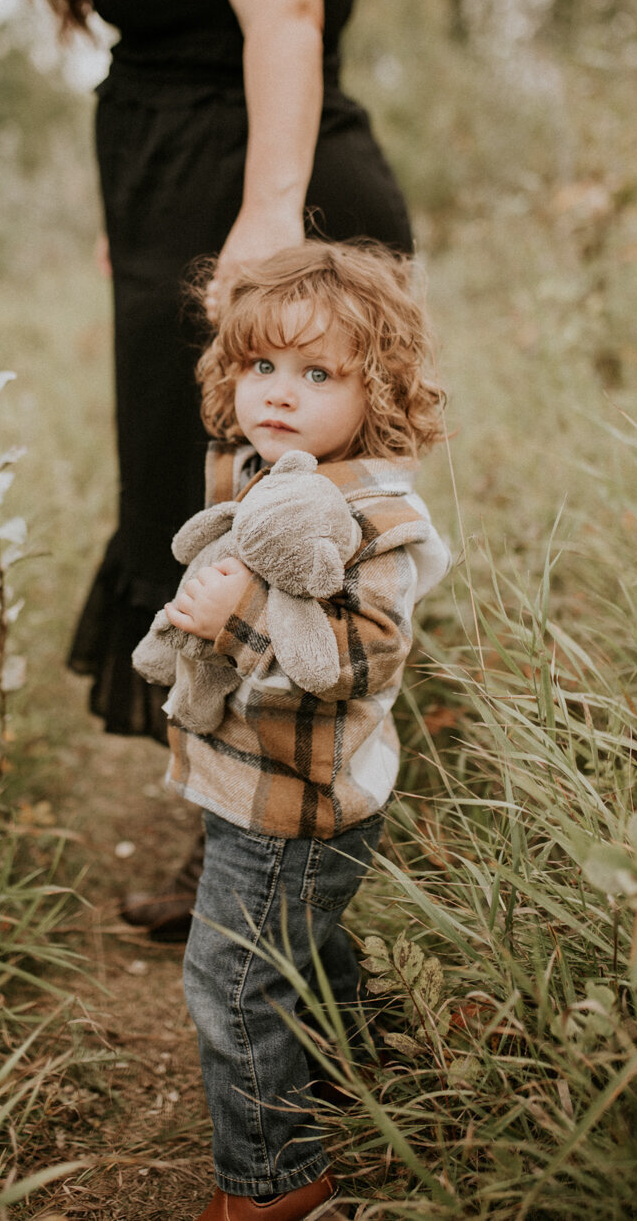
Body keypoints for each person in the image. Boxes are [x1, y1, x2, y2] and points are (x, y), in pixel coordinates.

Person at [21, 0, 414, 938]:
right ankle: (240, 857)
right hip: (187, 234)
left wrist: (262, 225)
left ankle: (282, 884)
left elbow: (284, 23)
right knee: (210, 526)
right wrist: (131, 226)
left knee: (291, 545)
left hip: (257, 242)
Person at [138, 240, 450, 1220]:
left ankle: (276, 1184)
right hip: (252, 781)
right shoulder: (259, 467)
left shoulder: (376, 520)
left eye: (318, 374)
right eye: (258, 366)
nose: (278, 392)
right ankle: (350, 1068)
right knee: (302, 947)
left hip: (297, 799)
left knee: (233, 979)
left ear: (381, 389)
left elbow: (362, 657)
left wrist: (233, 613)